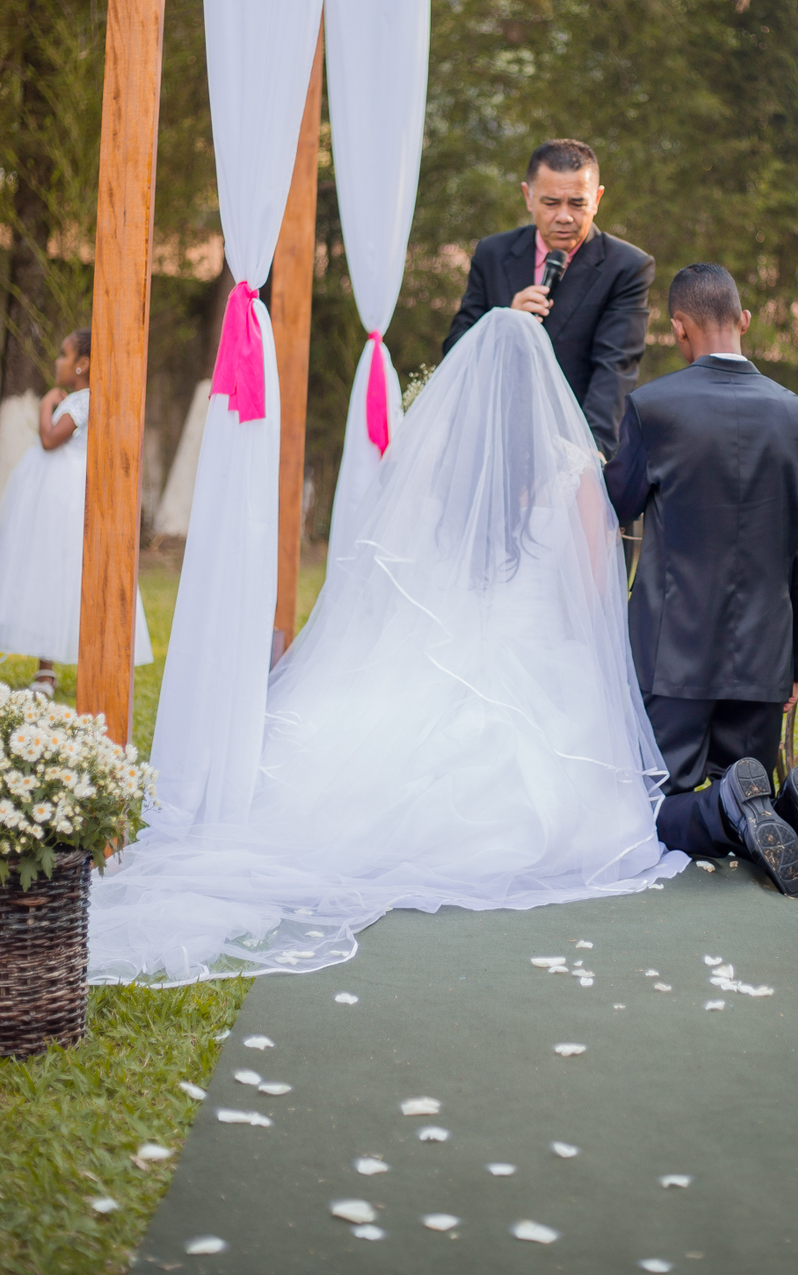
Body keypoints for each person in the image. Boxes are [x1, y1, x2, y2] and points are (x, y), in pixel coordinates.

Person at [87, 309, 686, 986]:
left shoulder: (442, 465)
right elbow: (588, 599)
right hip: (539, 649)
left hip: (443, 640)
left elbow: (398, 569)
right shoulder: (574, 471)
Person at [604, 263, 798, 898]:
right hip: (764, 660)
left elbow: (616, 503)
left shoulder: (653, 408)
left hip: (672, 660)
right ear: (744, 321)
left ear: (678, 329)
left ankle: (728, 807)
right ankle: (789, 804)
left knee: (647, 810)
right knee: (749, 783)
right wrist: (794, 664)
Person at [443, 140, 653, 459]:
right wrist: (503, 321)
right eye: (551, 203)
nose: (564, 216)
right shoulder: (492, 253)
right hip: (490, 444)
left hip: (570, 446)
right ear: (528, 197)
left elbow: (614, 370)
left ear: (597, 199)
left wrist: (587, 456)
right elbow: (455, 349)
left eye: (577, 203)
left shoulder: (626, 267)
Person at [0, 328, 152, 695]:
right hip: (57, 496)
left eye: (64, 355)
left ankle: (47, 672)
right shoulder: (86, 399)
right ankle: (46, 671)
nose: (58, 361)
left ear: (82, 364)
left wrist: (46, 406)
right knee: (51, 575)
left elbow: (50, 440)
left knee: (52, 573)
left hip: (60, 500)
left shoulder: (81, 401)